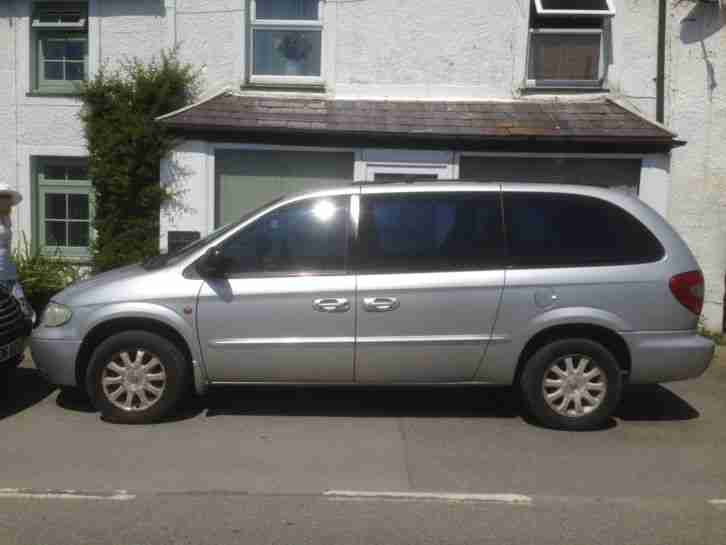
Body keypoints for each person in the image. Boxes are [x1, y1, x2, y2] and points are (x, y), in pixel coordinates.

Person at [0, 184, 31, 317]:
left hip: (8, 268)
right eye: (5, 197)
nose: (9, 202)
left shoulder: (6, 220)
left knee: (18, 302)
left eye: (9, 197)